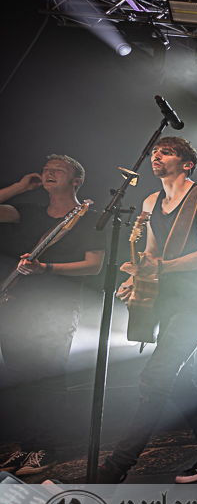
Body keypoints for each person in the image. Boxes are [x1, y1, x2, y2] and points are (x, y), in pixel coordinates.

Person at [96, 136, 197, 483]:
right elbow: (153, 254)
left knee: (156, 376)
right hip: (168, 297)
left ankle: (115, 468)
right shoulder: (150, 201)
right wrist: (136, 278)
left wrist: (163, 268)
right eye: (155, 151)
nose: (156, 155)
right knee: (180, 379)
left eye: (167, 152)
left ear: (187, 164)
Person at [0, 155, 104, 476]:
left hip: (58, 306)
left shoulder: (89, 217)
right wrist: (19, 187)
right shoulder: (29, 211)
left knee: (47, 378)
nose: (49, 172)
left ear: (77, 181)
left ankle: (45, 449)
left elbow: (93, 265)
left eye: (59, 169)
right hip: (18, 306)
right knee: (20, 380)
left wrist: (45, 268)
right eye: (47, 169)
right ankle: (26, 446)